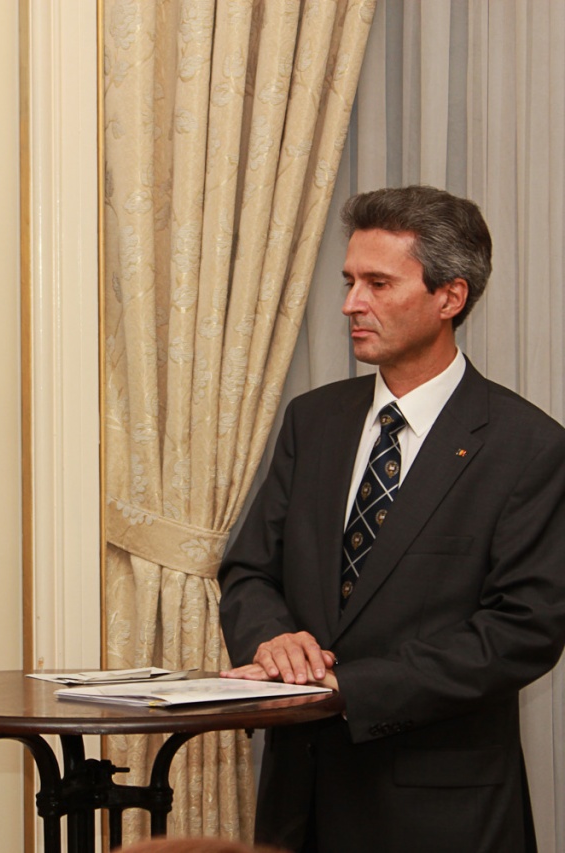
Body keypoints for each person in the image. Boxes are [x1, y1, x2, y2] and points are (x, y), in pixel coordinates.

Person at [218, 186, 565, 852]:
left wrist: (346, 686)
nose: (351, 303)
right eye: (349, 282)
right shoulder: (313, 420)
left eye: (378, 284)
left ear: (450, 297)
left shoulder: (528, 446)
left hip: (442, 815)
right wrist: (272, 638)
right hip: (299, 803)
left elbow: (522, 631)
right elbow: (248, 569)